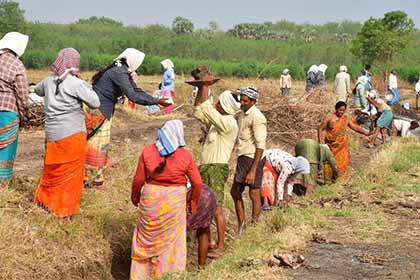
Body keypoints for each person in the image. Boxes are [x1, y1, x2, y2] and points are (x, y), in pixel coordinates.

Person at [85, 48, 170, 187]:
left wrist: (155, 100)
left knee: (97, 144)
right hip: (99, 110)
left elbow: (135, 90)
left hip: (102, 109)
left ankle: (92, 177)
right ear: (133, 60)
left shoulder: (122, 71)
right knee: (96, 144)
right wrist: (156, 101)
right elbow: (133, 96)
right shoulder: (120, 73)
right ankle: (90, 178)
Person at [130, 120, 202, 279]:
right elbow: (197, 183)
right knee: (171, 244)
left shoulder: (148, 151)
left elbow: (138, 180)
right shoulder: (185, 155)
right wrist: (193, 203)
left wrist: (135, 198)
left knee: (145, 240)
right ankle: (168, 275)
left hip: (151, 199)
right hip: (174, 202)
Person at [34, 48, 100, 217]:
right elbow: (95, 102)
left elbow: (37, 91)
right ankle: (64, 210)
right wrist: (85, 85)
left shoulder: (48, 80)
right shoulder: (75, 83)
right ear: (74, 64)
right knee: (71, 173)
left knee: (52, 168)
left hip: (52, 133)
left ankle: (46, 202)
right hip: (72, 133)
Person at [193, 77, 240, 254]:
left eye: (219, 102)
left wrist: (204, 85)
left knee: (216, 207)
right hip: (206, 167)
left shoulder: (228, 123)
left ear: (225, 106)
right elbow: (199, 111)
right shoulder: (218, 123)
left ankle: (220, 245)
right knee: (205, 206)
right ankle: (211, 240)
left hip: (216, 169)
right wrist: (200, 88)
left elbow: (207, 109)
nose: (217, 104)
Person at [231, 86, 267, 235]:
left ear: (253, 101)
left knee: (254, 193)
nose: (242, 103)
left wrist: (253, 170)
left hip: (253, 157)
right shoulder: (241, 114)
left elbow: (260, 145)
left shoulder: (257, 117)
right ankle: (242, 224)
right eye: (241, 100)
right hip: (243, 156)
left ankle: (254, 225)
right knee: (236, 192)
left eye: (245, 101)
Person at [0, 32, 29, 188]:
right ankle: (2, 187)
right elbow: (22, 95)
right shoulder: (16, 65)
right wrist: (25, 117)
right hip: (7, 113)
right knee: (5, 151)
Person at [319, 101, 371, 177]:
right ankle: (329, 177)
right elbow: (321, 129)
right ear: (336, 109)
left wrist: (366, 133)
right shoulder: (329, 118)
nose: (342, 112)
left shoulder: (345, 118)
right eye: (340, 110)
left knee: (342, 161)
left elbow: (355, 127)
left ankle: (341, 177)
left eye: (343, 110)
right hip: (330, 145)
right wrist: (322, 143)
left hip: (342, 145)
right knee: (329, 161)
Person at [187, 184, 218, 267]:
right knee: (203, 231)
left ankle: (175, 269)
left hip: (193, 195)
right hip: (207, 194)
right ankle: (201, 267)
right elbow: (196, 180)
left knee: (178, 232)